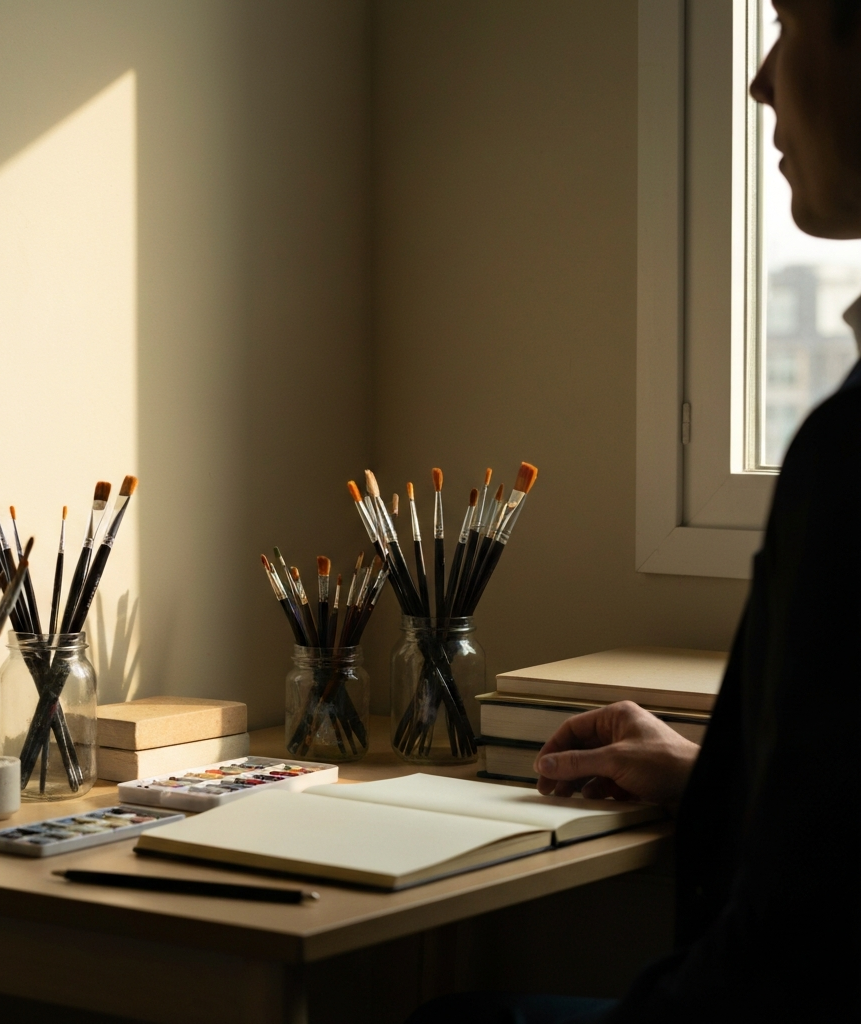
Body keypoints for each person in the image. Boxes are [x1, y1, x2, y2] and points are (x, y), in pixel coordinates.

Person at [409, 1, 861, 1021]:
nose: (758, 83)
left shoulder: (850, 456)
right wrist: (711, 779)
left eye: (785, 23)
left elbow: (798, 945)